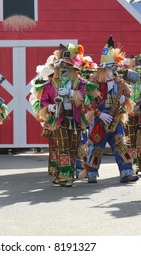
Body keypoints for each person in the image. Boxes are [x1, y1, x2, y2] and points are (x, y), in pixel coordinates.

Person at [31, 44, 99, 187]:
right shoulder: (50, 84)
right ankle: (64, 176)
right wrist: (50, 107)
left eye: (67, 68)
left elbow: (87, 99)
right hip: (58, 120)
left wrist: (71, 93)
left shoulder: (80, 83)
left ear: (73, 69)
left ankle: (65, 174)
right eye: (61, 68)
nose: (64, 70)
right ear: (57, 69)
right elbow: (43, 101)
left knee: (73, 147)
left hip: (74, 120)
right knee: (62, 147)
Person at [86, 36, 139, 184]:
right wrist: (99, 114)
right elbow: (89, 101)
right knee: (97, 146)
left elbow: (128, 94)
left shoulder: (119, 81)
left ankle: (127, 171)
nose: (113, 70)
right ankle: (91, 172)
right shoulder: (95, 81)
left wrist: (124, 99)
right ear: (103, 68)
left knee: (120, 144)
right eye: (110, 67)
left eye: (114, 67)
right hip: (100, 118)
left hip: (116, 118)